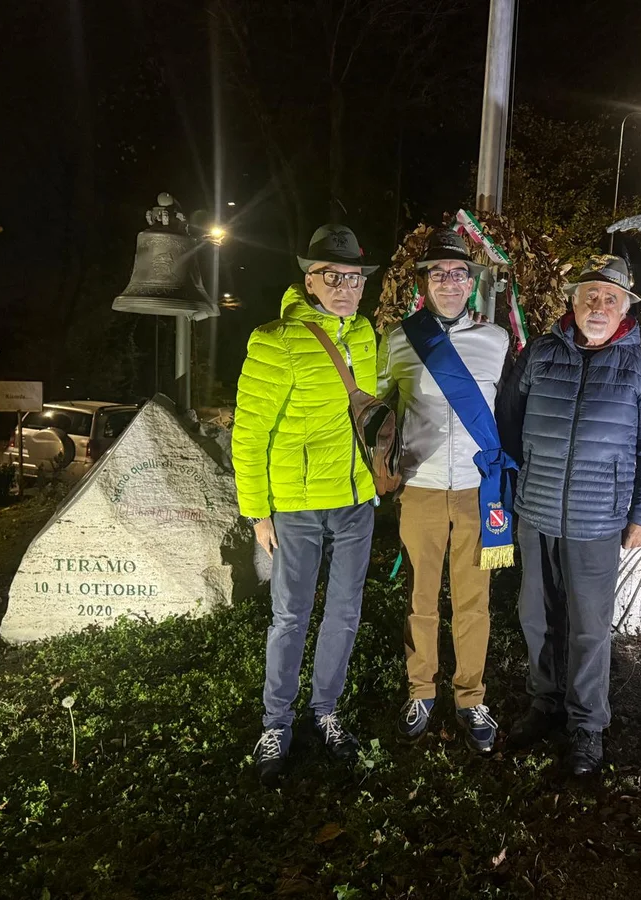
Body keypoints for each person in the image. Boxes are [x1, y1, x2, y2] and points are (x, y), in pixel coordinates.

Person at [496, 254, 641, 775]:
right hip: (537, 512)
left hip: (598, 520)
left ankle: (588, 724)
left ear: (625, 310)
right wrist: (518, 488)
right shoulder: (541, 354)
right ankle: (545, 702)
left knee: (590, 628)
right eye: (590, 294)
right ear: (573, 301)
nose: (598, 304)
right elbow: (509, 423)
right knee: (537, 617)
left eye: (610, 298)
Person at [232, 224, 380, 784]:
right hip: (296, 505)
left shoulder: (365, 335)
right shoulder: (275, 340)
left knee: (344, 612)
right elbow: (249, 433)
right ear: (308, 281)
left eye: (354, 278)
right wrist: (257, 512)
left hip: (355, 501)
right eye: (332, 277)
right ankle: (276, 722)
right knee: (290, 615)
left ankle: (326, 710)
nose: (345, 287)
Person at [377, 229, 513, 753]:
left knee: (474, 600)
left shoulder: (496, 341)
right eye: (439, 273)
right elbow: (377, 413)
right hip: (422, 489)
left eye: (458, 273)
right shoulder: (399, 341)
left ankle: (470, 696)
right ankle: (421, 690)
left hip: (480, 491)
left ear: (471, 281)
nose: (450, 282)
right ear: (424, 282)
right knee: (421, 597)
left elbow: (509, 412)